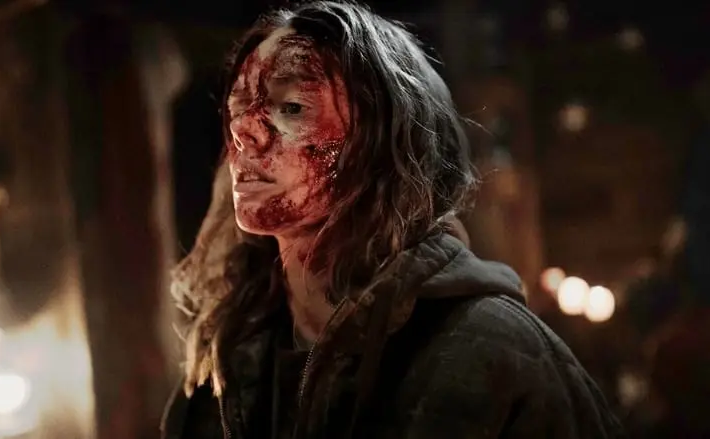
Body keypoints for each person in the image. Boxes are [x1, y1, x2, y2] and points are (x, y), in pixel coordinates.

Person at [162, 2, 624, 438]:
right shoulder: (220, 378)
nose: (244, 132)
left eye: (292, 107)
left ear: (384, 139)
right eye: (239, 108)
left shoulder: (500, 360)